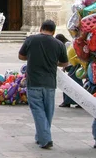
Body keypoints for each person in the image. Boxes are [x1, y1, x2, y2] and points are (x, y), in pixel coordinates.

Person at [18, 20, 68, 149]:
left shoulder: (31, 39)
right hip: (50, 82)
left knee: (38, 110)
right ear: (54, 31)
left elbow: (21, 56)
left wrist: (33, 57)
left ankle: (45, 139)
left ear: (41, 28)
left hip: (34, 81)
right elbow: (65, 63)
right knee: (48, 111)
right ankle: (41, 136)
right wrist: (53, 62)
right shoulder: (59, 44)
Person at [56, 34, 83, 109]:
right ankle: (70, 101)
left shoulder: (67, 44)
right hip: (71, 65)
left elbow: (68, 55)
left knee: (70, 84)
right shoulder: (65, 44)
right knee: (73, 83)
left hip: (74, 65)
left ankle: (69, 101)